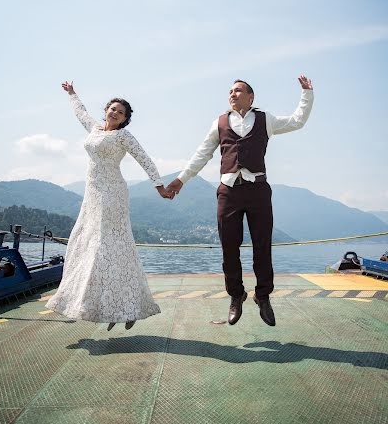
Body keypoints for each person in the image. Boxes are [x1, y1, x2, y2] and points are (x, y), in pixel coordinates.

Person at [166, 75, 314, 327]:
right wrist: (181, 180)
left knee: (262, 246)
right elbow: (202, 153)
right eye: (230, 91)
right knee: (229, 247)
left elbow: (297, 121)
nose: (232, 94)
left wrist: (306, 94)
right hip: (228, 191)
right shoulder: (220, 122)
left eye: (238, 90)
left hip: (258, 190)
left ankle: (263, 295)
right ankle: (236, 295)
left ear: (251, 96)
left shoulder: (266, 119)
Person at [46, 82, 172, 331]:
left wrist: (159, 186)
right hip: (92, 195)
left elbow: (144, 158)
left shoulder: (123, 136)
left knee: (111, 247)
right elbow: (80, 112)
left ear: (125, 120)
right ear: (106, 110)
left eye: (120, 112)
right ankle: (111, 305)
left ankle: (128, 305)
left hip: (113, 194)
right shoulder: (93, 129)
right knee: (84, 244)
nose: (115, 113)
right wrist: (72, 94)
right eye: (113, 109)